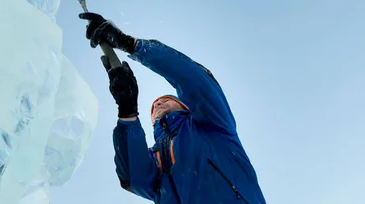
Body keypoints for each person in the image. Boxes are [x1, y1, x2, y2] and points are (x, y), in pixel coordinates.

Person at [79, 12, 266, 204]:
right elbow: (133, 178)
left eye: (166, 100)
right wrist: (127, 109)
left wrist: (129, 44)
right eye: (153, 107)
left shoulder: (214, 126)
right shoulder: (155, 158)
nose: (158, 103)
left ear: (184, 106)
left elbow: (197, 82)